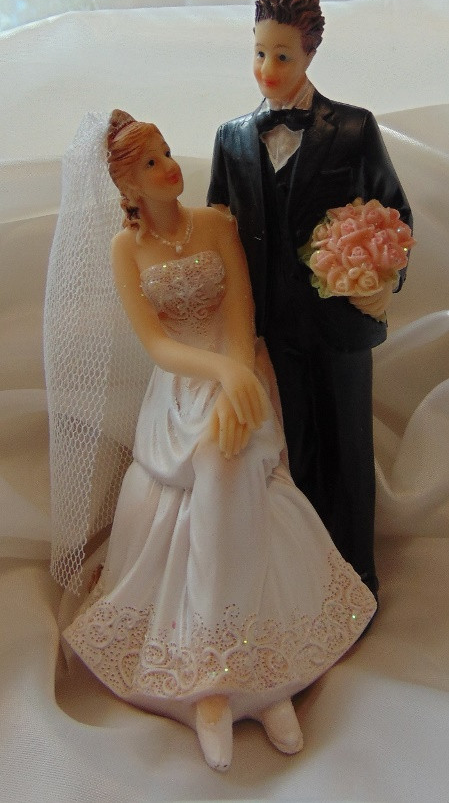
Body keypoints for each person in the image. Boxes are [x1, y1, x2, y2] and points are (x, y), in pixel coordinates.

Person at [46, 110, 376, 772]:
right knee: (208, 461)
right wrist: (217, 375)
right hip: (182, 386)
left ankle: (251, 680)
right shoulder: (124, 250)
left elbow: (239, 316)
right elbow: (158, 344)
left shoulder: (216, 224)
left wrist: (237, 379)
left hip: (241, 372)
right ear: (127, 186)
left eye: (167, 152)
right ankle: (224, 684)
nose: (169, 167)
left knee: (228, 461)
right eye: (150, 164)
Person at [207, 0, 413, 600]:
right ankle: (300, 589)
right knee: (286, 455)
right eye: (259, 53)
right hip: (265, 329)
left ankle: (356, 583)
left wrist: (382, 281)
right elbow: (219, 229)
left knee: (346, 450)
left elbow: (394, 214)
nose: (268, 69)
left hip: (337, 325)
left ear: (309, 54)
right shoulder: (231, 138)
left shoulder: (352, 128)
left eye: (283, 56)